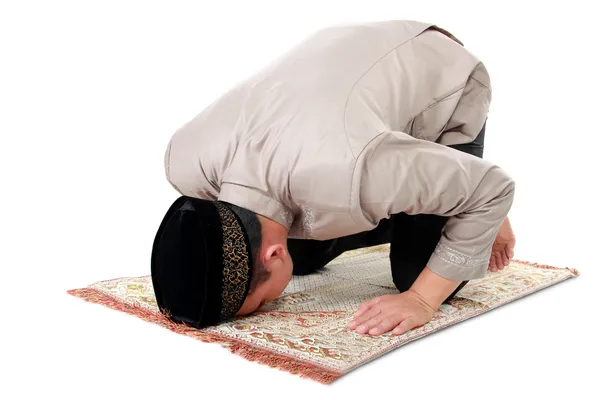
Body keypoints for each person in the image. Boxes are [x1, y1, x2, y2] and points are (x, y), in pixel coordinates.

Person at [151, 20, 517, 337]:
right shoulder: (183, 160)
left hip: (439, 70)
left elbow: (494, 187)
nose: (274, 303)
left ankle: (450, 190)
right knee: (304, 258)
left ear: (272, 253)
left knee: (414, 274)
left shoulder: (350, 174)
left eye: (263, 301)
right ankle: (430, 186)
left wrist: (420, 299)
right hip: (340, 73)